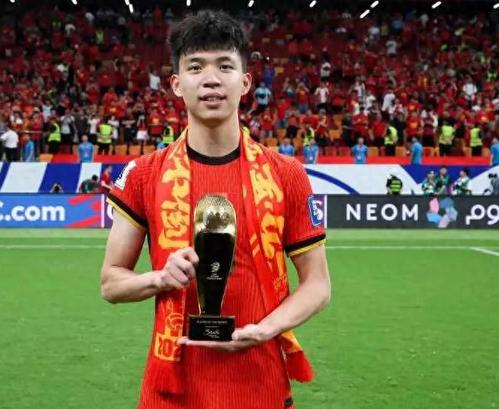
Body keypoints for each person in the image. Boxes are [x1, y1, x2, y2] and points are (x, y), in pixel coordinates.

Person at [101, 11, 330, 409]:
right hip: (172, 390)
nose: (211, 79)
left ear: (245, 82)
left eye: (225, 66)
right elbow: (111, 283)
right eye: (195, 67)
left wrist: (266, 329)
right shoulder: (142, 175)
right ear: (177, 84)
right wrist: (159, 278)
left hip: (260, 383)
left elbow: (318, 285)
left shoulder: (286, 174)